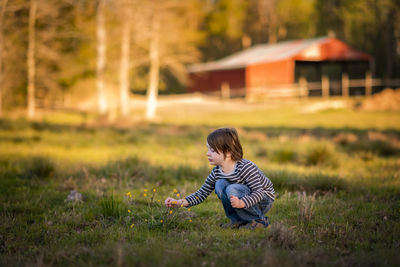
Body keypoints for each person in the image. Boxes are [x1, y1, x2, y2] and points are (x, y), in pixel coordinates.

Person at [165, 127, 275, 229]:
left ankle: (259, 220)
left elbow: (259, 192)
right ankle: (237, 221)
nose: (208, 154)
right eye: (208, 149)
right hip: (242, 198)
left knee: (231, 189)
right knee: (220, 184)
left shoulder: (245, 167)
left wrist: (243, 202)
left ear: (227, 152)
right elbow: (201, 194)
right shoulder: (217, 171)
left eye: (212, 150)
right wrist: (179, 202)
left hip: (263, 199)